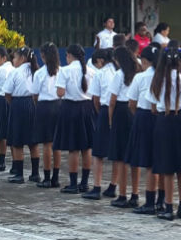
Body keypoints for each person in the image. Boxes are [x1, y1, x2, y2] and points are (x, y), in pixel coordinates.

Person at [147, 41, 181, 221]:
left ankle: (168, 206)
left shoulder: (157, 81)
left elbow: (152, 107)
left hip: (164, 121)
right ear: (180, 62)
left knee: (166, 169)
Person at [125, 45, 163, 214]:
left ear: (145, 61)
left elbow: (131, 103)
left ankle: (149, 201)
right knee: (161, 161)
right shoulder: (165, 76)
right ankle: (162, 200)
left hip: (144, 116)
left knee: (148, 163)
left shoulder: (140, 77)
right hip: (162, 117)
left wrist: (137, 116)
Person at [53, 44, 96, 193]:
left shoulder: (65, 70)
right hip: (87, 108)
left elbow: (60, 93)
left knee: (73, 148)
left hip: (70, 108)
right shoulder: (91, 71)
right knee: (86, 147)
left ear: (70, 55)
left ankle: (73, 184)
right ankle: (84, 183)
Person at [83, 49, 118, 200]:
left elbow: (95, 99)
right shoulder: (119, 73)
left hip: (104, 110)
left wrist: (99, 113)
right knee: (117, 152)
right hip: (118, 111)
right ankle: (113, 186)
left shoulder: (100, 74)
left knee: (98, 152)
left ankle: (96, 187)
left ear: (100, 61)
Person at [108, 47, 141, 208]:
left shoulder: (119, 74)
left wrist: (110, 119)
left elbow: (112, 100)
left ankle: (122, 194)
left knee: (121, 157)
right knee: (134, 156)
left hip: (121, 111)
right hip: (135, 111)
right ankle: (135, 194)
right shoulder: (139, 72)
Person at [3, 47, 39, 183]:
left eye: (15, 57)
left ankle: (19, 174)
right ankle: (35, 174)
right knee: (33, 142)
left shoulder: (15, 72)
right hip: (33, 104)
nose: (13, 60)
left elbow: (7, 93)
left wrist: (13, 104)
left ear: (22, 58)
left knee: (17, 141)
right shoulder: (37, 71)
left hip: (18, 104)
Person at [31, 43, 62, 188]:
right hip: (58, 106)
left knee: (46, 145)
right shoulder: (61, 71)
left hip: (44, 107)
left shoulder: (39, 73)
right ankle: (56, 178)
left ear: (43, 56)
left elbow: (35, 95)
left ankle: (47, 177)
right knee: (56, 145)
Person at [0, 46, 13, 173]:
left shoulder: (0, 70)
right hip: (9, 101)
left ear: (3, 57)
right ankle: (2, 161)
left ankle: (0, 161)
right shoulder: (12, 68)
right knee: (4, 134)